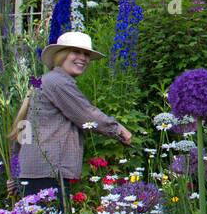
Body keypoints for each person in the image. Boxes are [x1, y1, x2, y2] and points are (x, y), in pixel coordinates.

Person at [9, 30, 132, 200]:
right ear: (61, 55)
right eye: (76, 52)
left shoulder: (45, 80)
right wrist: (118, 130)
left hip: (33, 171)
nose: (83, 58)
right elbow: (87, 115)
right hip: (48, 172)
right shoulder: (58, 82)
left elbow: (23, 129)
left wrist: (15, 173)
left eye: (86, 54)